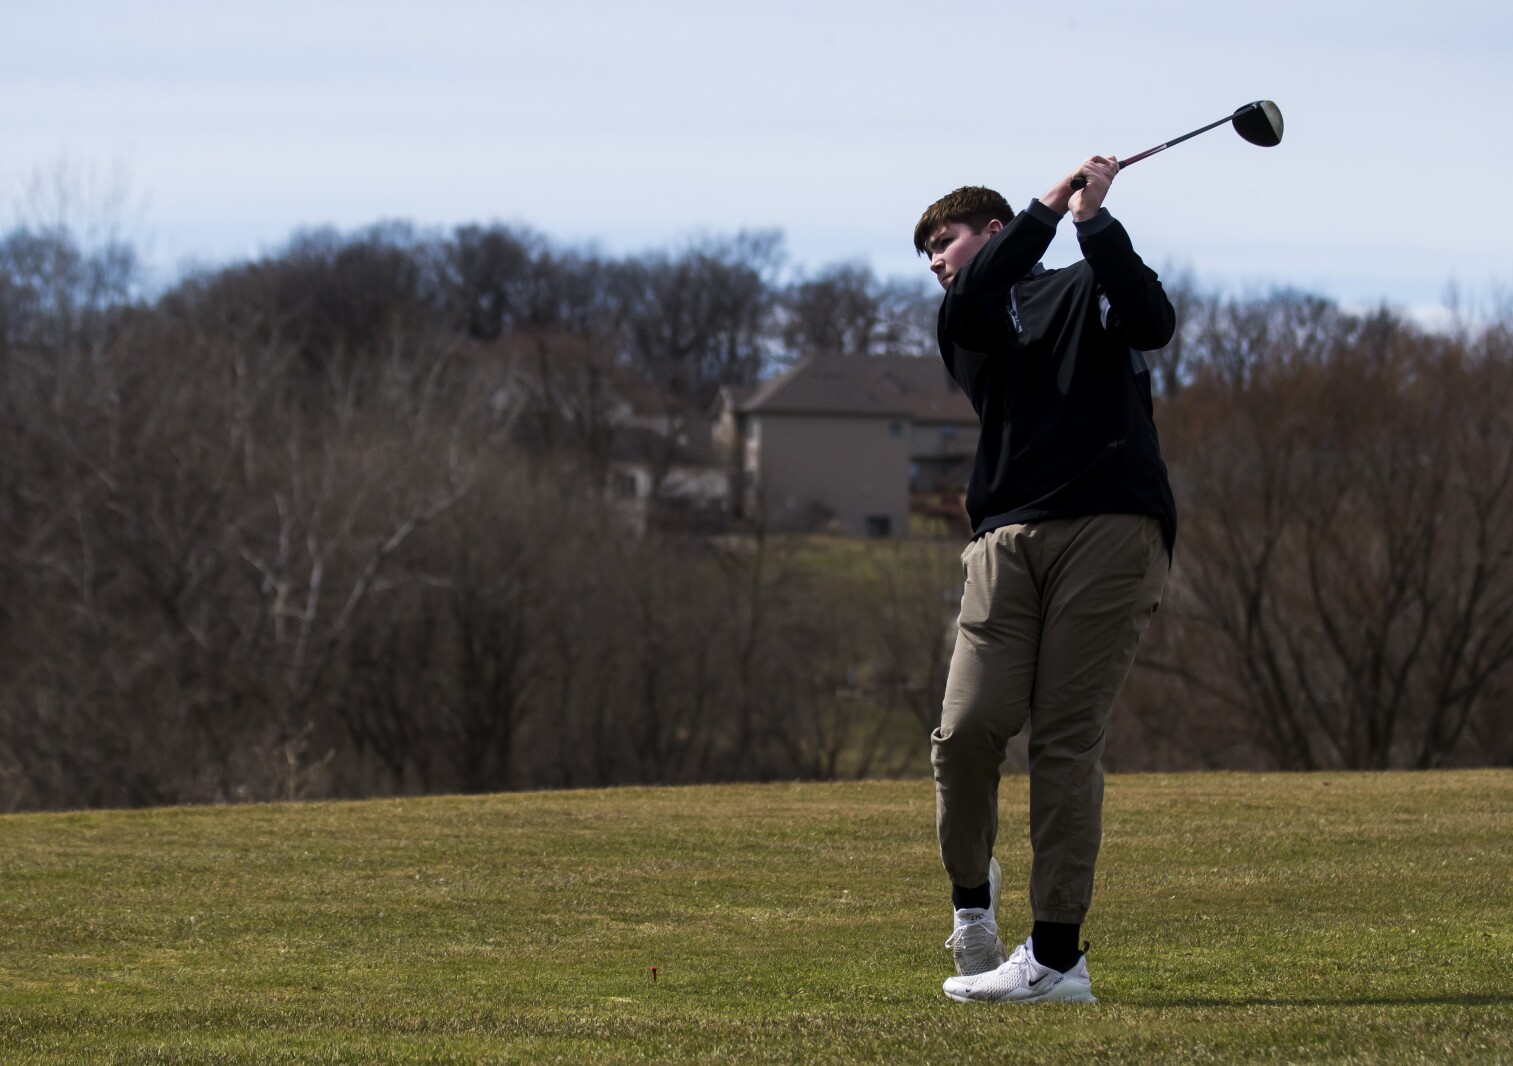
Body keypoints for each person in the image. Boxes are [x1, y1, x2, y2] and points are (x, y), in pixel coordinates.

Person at [913, 155, 1177, 1004]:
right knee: (965, 733)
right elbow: (978, 291)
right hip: (1003, 537)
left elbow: (1150, 320)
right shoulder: (965, 316)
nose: (933, 260)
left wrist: (1092, 221)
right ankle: (972, 903)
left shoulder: (1086, 282)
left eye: (943, 240)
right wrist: (1046, 205)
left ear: (990, 230)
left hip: (1111, 523)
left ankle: (1057, 958)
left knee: (1064, 740)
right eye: (925, 252)